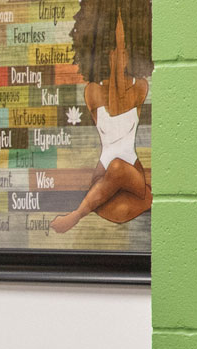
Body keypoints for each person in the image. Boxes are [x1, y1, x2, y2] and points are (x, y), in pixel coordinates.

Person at [50, 0, 152, 233]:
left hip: (130, 172)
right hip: (103, 172)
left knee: (117, 168)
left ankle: (75, 216)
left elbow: (119, 104)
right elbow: (112, 104)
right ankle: (145, 200)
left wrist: (119, 66)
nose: (120, 54)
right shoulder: (92, 92)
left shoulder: (140, 88)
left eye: (125, 47)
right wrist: (113, 65)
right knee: (115, 208)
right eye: (113, 47)